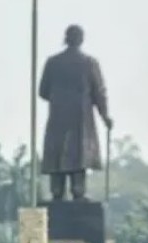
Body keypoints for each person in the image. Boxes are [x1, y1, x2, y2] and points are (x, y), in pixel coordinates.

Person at [38, 25, 112, 201]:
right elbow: (99, 93)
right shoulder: (89, 63)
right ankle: (78, 190)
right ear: (81, 39)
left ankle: (57, 191)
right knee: (78, 155)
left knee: (59, 154)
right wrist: (105, 116)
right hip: (80, 118)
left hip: (58, 117)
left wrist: (59, 100)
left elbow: (42, 91)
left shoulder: (53, 63)